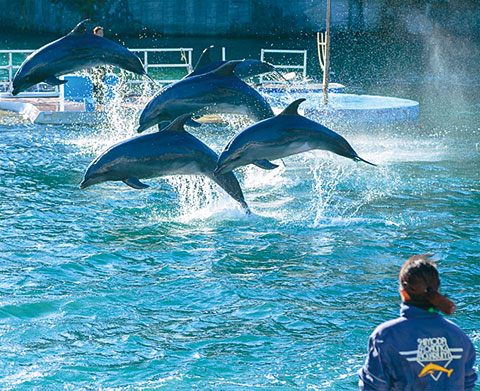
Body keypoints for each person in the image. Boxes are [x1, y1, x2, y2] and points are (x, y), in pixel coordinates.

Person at [358, 254, 477, 390]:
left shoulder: (385, 336)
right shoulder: (459, 336)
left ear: (403, 292)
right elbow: (468, 382)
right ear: (437, 290)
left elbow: (373, 386)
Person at [91, 26, 107, 107]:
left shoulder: (104, 42)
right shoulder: (92, 42)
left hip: (102, 65)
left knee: (102, 83)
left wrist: (110, 64)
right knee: (95, 83)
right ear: (95, 33)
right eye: (100, 33)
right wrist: (87, 66)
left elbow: (106, 54)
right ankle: (95, 100)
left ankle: (100, 101)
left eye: (102, 33)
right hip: (94, 65)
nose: (102, 34)